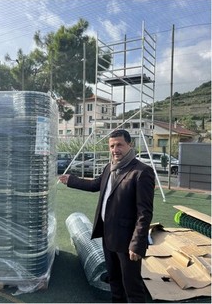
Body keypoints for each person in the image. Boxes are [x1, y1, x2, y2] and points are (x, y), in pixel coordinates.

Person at [59, 129, 155, 302]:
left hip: (127, 241)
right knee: (115, 283)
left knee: (132, 287)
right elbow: (96, 184)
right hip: (108, 236)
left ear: (129, 145)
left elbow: (144, 213)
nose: (115, 149)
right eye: (112, 146)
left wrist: (137, 244)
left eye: (119, 145)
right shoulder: (109, 167)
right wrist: (71, 180)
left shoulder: (141, 172)